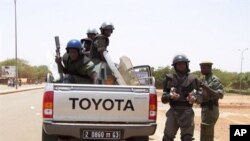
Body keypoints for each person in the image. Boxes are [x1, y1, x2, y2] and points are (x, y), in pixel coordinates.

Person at [161, 54, 202, 141]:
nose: (181, 65)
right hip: (173, 111)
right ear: (175, 66)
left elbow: (200, 96)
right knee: (167, 138)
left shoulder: (193, 79)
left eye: (183, 63)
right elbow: (163, 99)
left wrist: (194, 98)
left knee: (187, 138)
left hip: (187, 112)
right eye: (178, 64)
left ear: (186, 65)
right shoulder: (169, 78)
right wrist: (170, 96)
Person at [199, 61, 224, 141]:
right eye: (201, 67)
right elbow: (201, 94)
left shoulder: (214, 79)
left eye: (203, 67)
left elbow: (220, 95)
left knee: (208, 134)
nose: (201, 69)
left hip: (211, 109)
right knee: (204, 132)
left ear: (209, 68)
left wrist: (206, 87)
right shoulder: (204, 79)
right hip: (205, 109)